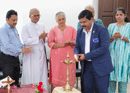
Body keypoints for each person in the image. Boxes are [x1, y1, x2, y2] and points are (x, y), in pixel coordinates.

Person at [73, 10, 114, 93]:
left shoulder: (102, 30)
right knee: (88, 90)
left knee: (102, 90)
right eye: (80, 22)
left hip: (101, 66)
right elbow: (77, 46)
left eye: (84, 22)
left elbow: (104, 48)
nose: (82, 24)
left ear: (91, 19)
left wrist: (86, 56)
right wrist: (76, 54)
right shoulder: (80, 32)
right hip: (87, 67)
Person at [0, 10, 32, 87]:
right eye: (13, 20)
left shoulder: (14, 29)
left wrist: (24, 47)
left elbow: (18, 43)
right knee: (8, 84)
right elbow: (6, 45)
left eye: (16, 20)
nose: (15, 22)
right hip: (6, 60)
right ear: (7, 19)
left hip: (15, 59)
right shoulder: (3, 29)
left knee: (16, 81)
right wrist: (21, 50)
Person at [21, 8, 48, 91]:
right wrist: (39, 37)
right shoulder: (25, 27)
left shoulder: (42, 25)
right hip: (31, 55)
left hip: (41, 54)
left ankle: (41, 90)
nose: (37, 17)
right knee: (32, 75)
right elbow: (25, 41)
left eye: (38, 15)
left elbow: (45, 40)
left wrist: (44, 38)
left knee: (41, 74)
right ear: (29, 16)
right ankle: (32, 91)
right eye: (35, 15)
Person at [48, 11, 77, 88]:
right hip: (57, 58)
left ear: (65, 19)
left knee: (69, 72)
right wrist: (62, 45)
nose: (61, 21)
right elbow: (49, 43)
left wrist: (71, 42)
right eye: (59, 19)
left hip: (69, 55)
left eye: (63, 19)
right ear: (56, 21)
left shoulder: (72, 29)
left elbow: (76, 41)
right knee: (57, 74)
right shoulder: (53, 30)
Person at [108, 7, 130, 93]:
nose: (119, 16)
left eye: (121, 14)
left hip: (124, 59)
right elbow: (107, 41)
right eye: (117, 15)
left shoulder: (129, 26)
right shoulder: (111, 26)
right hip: (112, 58)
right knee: (111, 84)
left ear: (125, 15)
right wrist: (113, 37)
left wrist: (121, 37)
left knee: (123, 85)